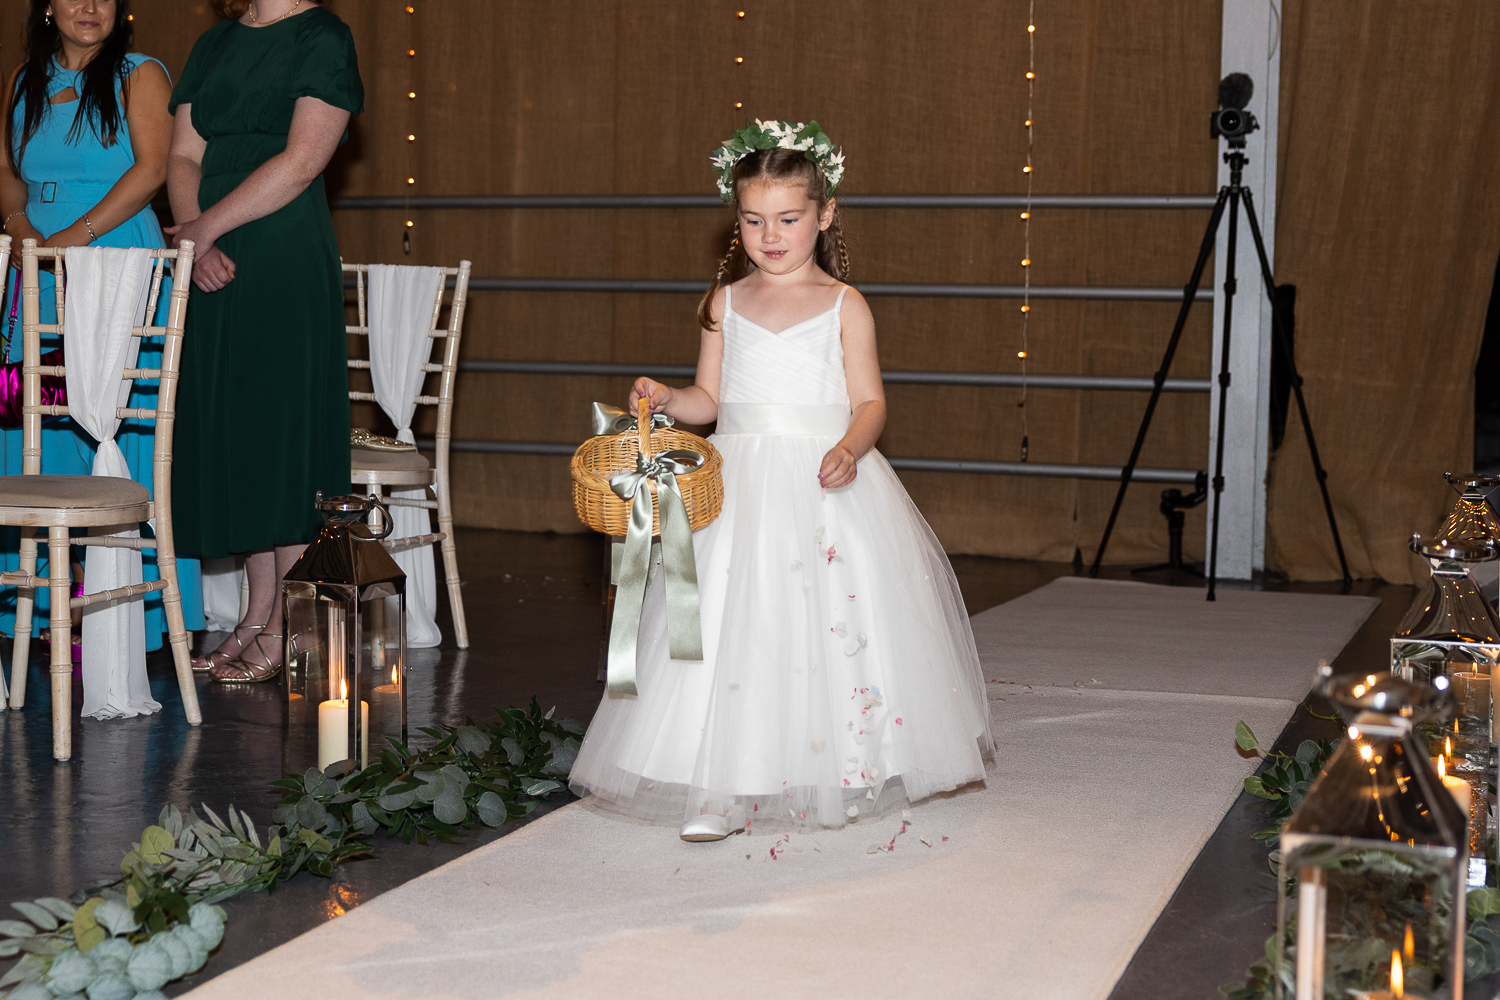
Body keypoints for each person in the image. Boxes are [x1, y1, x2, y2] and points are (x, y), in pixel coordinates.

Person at [568, 120, 994, 842]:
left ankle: (836, 768)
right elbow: (711, 402)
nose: (770, 235)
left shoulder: (845, 304)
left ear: (825, 215)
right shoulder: (724, 303)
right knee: (730, 629)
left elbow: (870, 402)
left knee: (826, 626)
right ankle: (719, 785)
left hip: (822, 481)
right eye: (754, 219)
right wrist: (669, 400)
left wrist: (852, 447)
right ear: (736, 219)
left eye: (789, 219)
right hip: (741, 486)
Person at [0, 0, 205, 655]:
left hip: (116, 260)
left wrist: (72, 238)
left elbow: (152, 170)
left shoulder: (141, 73)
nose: (91, 6)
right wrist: (22, 229)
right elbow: (6, 173)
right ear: (47, 6)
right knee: (38, 419)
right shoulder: (22, 78)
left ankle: (130, 613)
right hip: (37, 265)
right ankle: (45, 604)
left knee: (122, 422)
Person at [166, 0, 361, 682]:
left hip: (280, 248)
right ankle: (255, 614)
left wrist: (205, 228)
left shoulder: (323, 36)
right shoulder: (214, 42)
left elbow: (303, 161)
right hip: (210, 250)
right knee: (240, 437)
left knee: (280, 437)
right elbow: (183, 153)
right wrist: (194, 236)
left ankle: (288, 623)